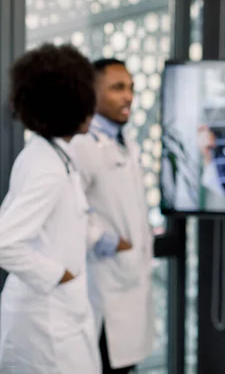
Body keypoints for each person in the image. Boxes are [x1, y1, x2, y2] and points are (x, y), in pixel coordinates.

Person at [0, 44, 101, 373]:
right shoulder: (47, 166)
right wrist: (59, 275)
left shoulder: (54, 155)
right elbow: (5, 243)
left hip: (59, 315)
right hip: (46, 323)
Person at [70, 58, 155, 373]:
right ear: (91, 93)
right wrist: (108, 241)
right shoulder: (82, 144)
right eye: (118, 88)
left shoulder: (125, 143)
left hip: (129, 278)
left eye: (131, 88)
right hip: (103, 280)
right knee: (105, 361)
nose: (129, 96)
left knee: (124, 362)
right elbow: (68, 209)